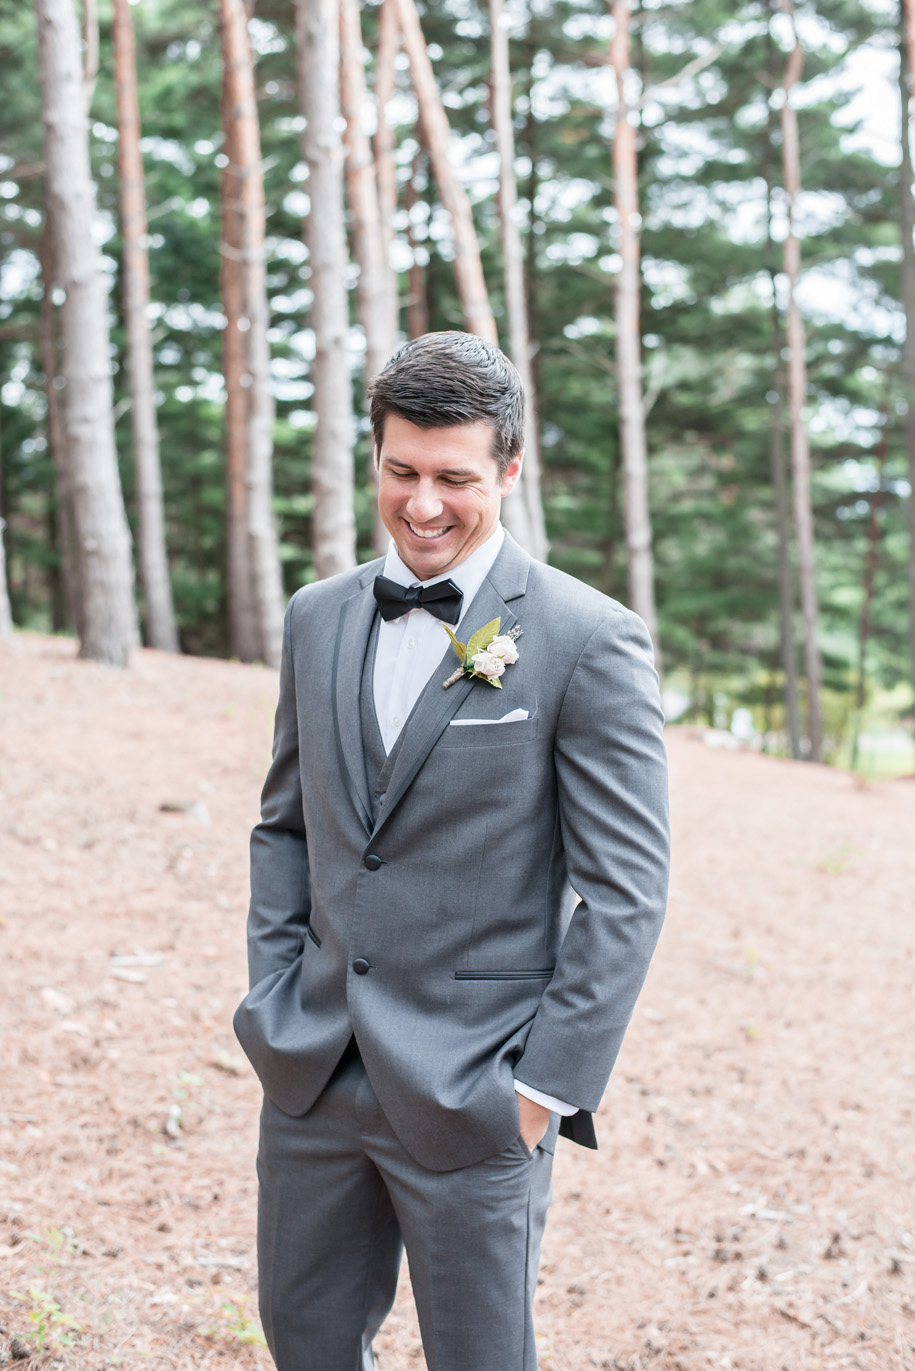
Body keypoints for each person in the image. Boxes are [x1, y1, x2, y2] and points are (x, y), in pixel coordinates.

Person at [233, 331, 670, 1371]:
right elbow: (285, 826)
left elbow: (626, 894)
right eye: (401, 473)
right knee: (305, 1342)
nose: (423, 505)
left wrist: (539, 1093)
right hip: (313, 1072)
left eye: (454, 479)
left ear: (510, 469)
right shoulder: (317, 619)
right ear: (375, 457)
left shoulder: (586, 638)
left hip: (479, 1091)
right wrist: (275, 997)